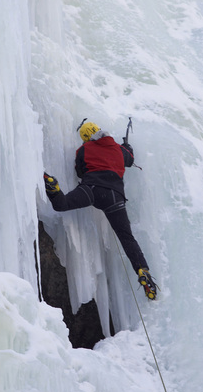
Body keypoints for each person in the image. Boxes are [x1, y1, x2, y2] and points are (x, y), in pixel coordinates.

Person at [43, 121, 157, 299]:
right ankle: (143, 270)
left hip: (92, 190)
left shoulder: (83, 150)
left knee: (62, 203)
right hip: (115, 197)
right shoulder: (118, 148)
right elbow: (130, 159)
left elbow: (80, 172)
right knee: (126, 238)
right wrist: (127, 146)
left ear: (86, 138)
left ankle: (53, 188)